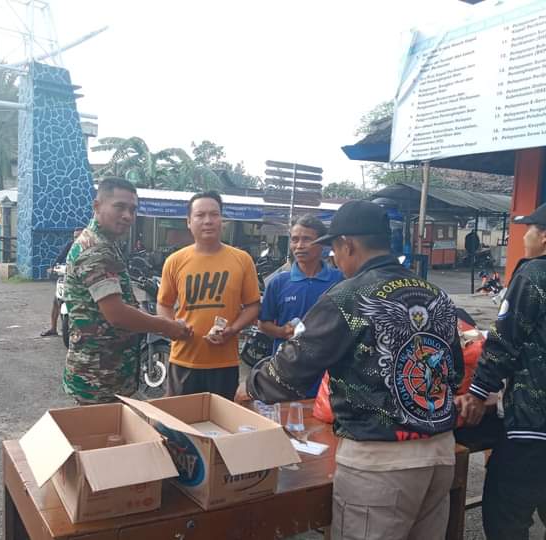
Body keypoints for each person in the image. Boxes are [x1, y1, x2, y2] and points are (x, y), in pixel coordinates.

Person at [235, 200, 463, 540]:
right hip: (440, 455)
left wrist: (250, 386)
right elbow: (454, 372)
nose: (334, 259)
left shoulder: (349, 296)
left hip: (381, 465)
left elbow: (293, 368)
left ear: (348, 244)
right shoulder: (436, 295)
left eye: (334, 249)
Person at [456, 202, 546, 539]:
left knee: (506, 514)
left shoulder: (536, 274)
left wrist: (478, 392)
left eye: (530, 231)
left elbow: (504, 340)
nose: (525, 239)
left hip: (534, 427)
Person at [63, 177, 192, 404]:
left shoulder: (106, 243)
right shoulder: (96, 250)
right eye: (119, 207)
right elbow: (117, 315)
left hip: (109, 371)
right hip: (99, 378)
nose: (127, 216)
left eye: (132, 209)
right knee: (102, 436)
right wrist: (167, 326)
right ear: (97, 206)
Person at [157, 191, 261, 399]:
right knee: (180, 425)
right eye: (200, 215)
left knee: (221, 426)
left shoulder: (242, 260)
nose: (208, 221)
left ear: (222, 220)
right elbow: (164, 304)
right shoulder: (175, 261)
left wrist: (232, 330)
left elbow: (253, 306)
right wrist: (173, 327)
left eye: (214, 214)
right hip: (184, 359)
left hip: (224, 363)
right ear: (188, 221)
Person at [258, 215, 342, 397]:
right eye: (295, 240)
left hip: (328, 374)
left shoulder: (339, 280)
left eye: (307, 239)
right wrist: (282, 332)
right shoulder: (279, 282)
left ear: (322, 244)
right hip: (287, 370)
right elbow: (263, 324)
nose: (299, 246)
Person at [41, 227, 84, 337]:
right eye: (75, 237)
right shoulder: (70, 245)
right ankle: (53, 328)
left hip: (84, 281)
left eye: (79, 236)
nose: (76, 239)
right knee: (56, 301)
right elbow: (61, 257)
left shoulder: (89, 247)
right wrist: (53, 267)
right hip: (69, 278)